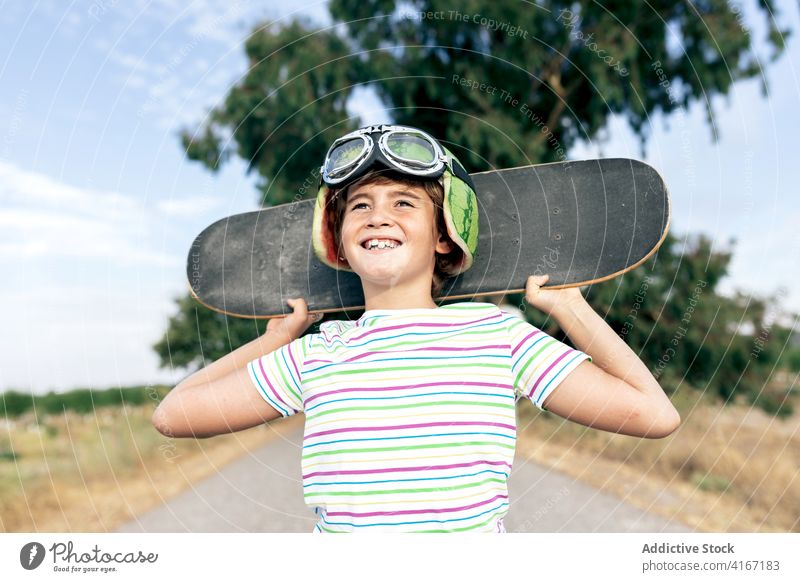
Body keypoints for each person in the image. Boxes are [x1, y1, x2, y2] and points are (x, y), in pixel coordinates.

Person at [152, 124, 680, 533]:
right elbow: (173, 415)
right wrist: (271, 342)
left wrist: (571, 309)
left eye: (404, 203)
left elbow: (654, 415)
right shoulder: (317, 355)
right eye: (359, 206)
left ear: (446, 234)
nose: (377, 216)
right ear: (337, 244)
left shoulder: (499, 337)